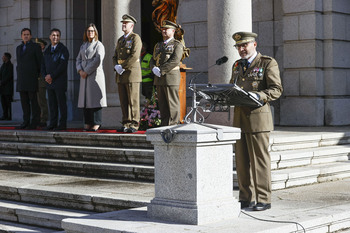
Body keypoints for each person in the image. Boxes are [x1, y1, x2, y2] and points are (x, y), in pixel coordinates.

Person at [229, 32, 283, 211]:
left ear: (254, 44)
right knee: (242, 163)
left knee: (260, 161)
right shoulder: (237, 65)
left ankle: (263, 199)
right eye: (238, 46)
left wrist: (258, 95)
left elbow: (276, 90)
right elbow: (232, 87)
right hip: (239, 119)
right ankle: (245, 198)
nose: (241, 49)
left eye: (245, 45)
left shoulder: (267, 63)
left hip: (258, 120)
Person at [150, 20, 184, 126]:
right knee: (163, 104)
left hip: (170, 77)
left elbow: (175, 60)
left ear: (173, 31)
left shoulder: (177, 44)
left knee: (172, 102)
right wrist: (153, 68)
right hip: (159, 78)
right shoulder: (158, 45)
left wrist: (161, 70)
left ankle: (173, 123)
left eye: (166, 29)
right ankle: (164, 124)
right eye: (163, 29)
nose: (164, 31)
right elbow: (153, 59)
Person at [113, 14, 142, 133]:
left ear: (132, 25)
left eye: (126, 23)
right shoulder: (120, 40)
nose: (123, 25)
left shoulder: (135, 38)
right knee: (124, 100)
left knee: (133, 100)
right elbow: (114, 56)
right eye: (122, 23)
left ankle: (134, 123)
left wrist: (122, 66)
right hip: (121, 74)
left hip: (131, 73)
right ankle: (126, 122)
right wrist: (116, 66)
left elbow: (134, 55)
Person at [76, 23, 107, 131]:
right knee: (86, 100)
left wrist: (86, 71)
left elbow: (97, 60)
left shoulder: (99, 45)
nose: (90, 33)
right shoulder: (83, 45)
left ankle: (96, 123)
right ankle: (88, 122)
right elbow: (78, 59)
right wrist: (80, 70)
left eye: (92, 31)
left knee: (95, 100)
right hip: (84, 76)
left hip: (94, 75)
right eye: (88, 31)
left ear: (95, 33)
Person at [41, 28, 69, 131]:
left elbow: (62, 66)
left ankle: (62, 124)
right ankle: (52, 123)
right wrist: (45, 76)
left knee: (61, 103)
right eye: (53, 35)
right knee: (52, 104)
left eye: (57, 35)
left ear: (60, 37)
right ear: (50, 37)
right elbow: (43, 65)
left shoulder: (63, 49)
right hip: (49, 82)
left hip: (59, 81)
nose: (55, 37)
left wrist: (51, 76)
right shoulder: (47, 50)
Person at [16, 28, 42, 129]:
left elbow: (40, 62)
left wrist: (38, 75)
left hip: (32, 79)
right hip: (21, 80)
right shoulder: (18, 48)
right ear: (21, 36)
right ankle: (25, 121)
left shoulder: (35, 46)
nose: (26, 36)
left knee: (34, 102)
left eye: (27, 34)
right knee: (24, 102)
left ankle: (35, 122)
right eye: (24, 34)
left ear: (30, 36)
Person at [36, 38, 49, 127]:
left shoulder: (45, 55)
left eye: (39, 45)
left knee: (42, 101)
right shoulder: (36, 55)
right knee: (36, 101)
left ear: (43, 46)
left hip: (42, 81)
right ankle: (37, 118)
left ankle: (43, 119)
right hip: (35, 81)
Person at [0, 53, 14, 120]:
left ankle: (9, 116)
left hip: (8, 88)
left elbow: (9, 76)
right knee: (3, 102)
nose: (2, 57)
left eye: (3, 56)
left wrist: (2, 82)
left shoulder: (10, 66)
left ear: (7, 57)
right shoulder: (3, 65)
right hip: (2, 88)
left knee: (8, 102)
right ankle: (5, 115)